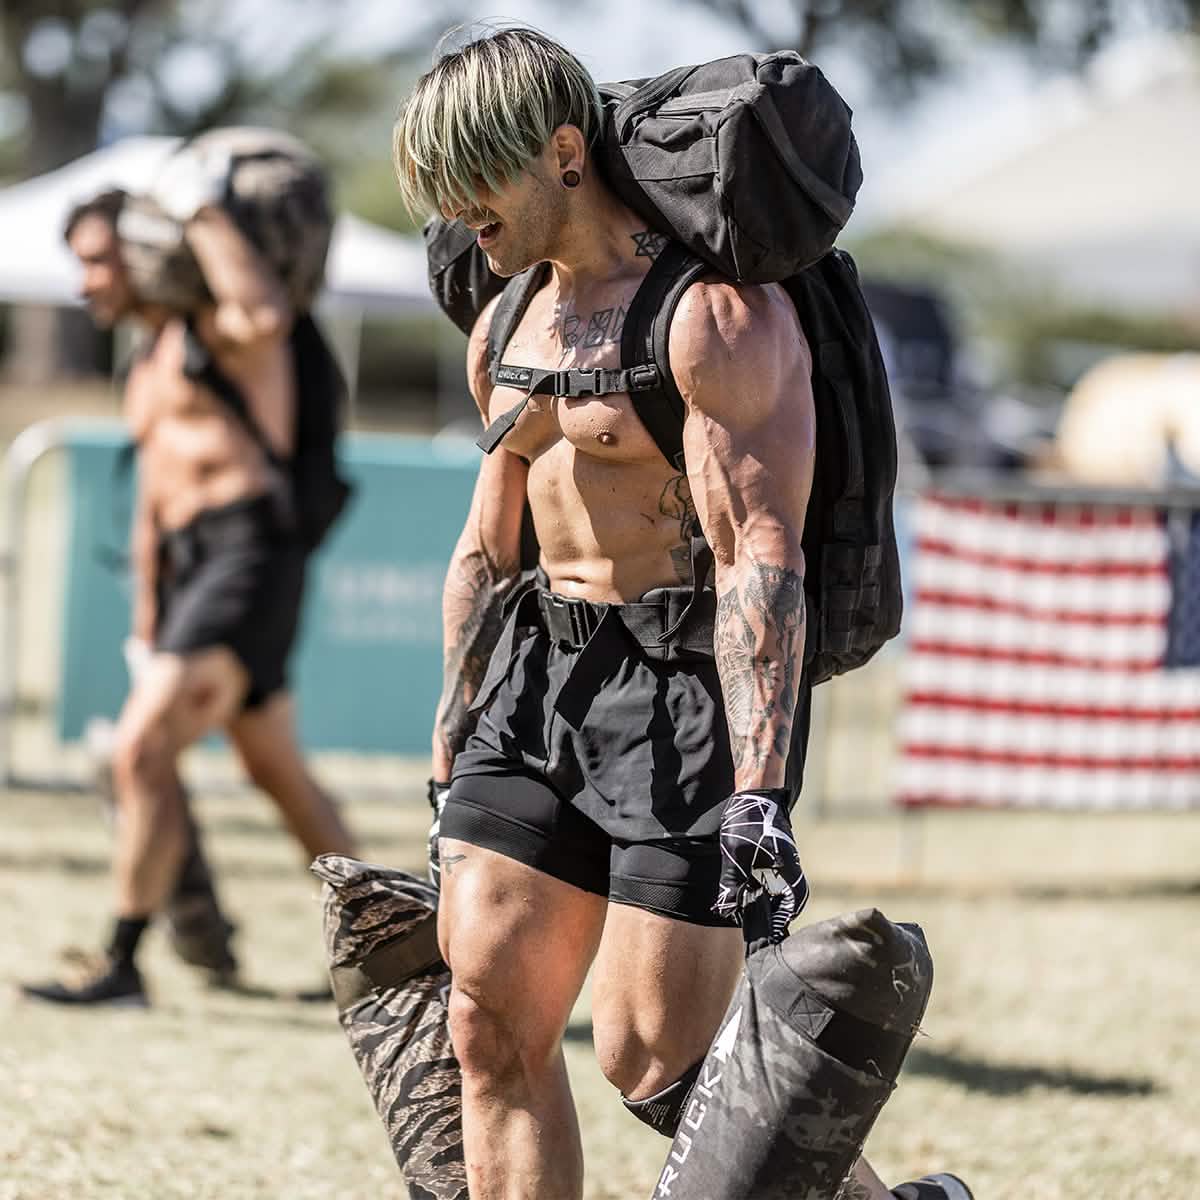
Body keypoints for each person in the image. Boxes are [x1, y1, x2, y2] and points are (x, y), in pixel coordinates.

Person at [394, 27, 971, 1200]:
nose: (459, 213)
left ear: (564, 154)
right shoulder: (503, 324)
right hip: (535, 677)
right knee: (487, 1024)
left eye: (476, 179)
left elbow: (760, 552)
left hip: (684, 687)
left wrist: (760, 794)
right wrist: (452, 730)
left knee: (657, 1063)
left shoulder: (715, 319)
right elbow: (485, 541)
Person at [21, 184, 356, 1007]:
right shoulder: (148, 360)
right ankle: (402, 948)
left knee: (139, 752)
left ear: (144, 251)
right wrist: (148, 618)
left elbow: (267, 315)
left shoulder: (228, 334)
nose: (88, 282)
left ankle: (124, 960)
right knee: (275, 769)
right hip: (189, 573)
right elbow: (152, 502)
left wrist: (201, 211)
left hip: (248, 554)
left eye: (101, 260)